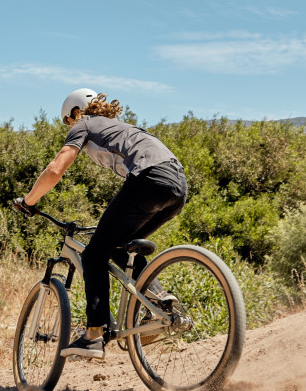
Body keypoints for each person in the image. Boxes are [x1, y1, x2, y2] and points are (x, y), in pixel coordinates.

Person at [14, 89, 188, 360]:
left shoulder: (84, 124)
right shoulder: (120, 127)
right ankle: (159, 301)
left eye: (67, 121)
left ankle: (94, 335)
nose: (70, 127)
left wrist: (29, 201)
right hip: (177, 186)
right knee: (120, 247)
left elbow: (55, 169)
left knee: (93, 255)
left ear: (75, 112)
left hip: (149, 179)